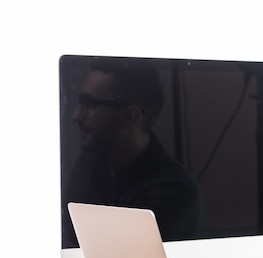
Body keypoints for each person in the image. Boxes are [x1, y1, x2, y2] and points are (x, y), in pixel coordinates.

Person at [62, 57, 202, 247]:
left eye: (90, 105)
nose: (76, 116)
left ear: (129, 117)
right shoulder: (89, 162)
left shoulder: (174, 191)